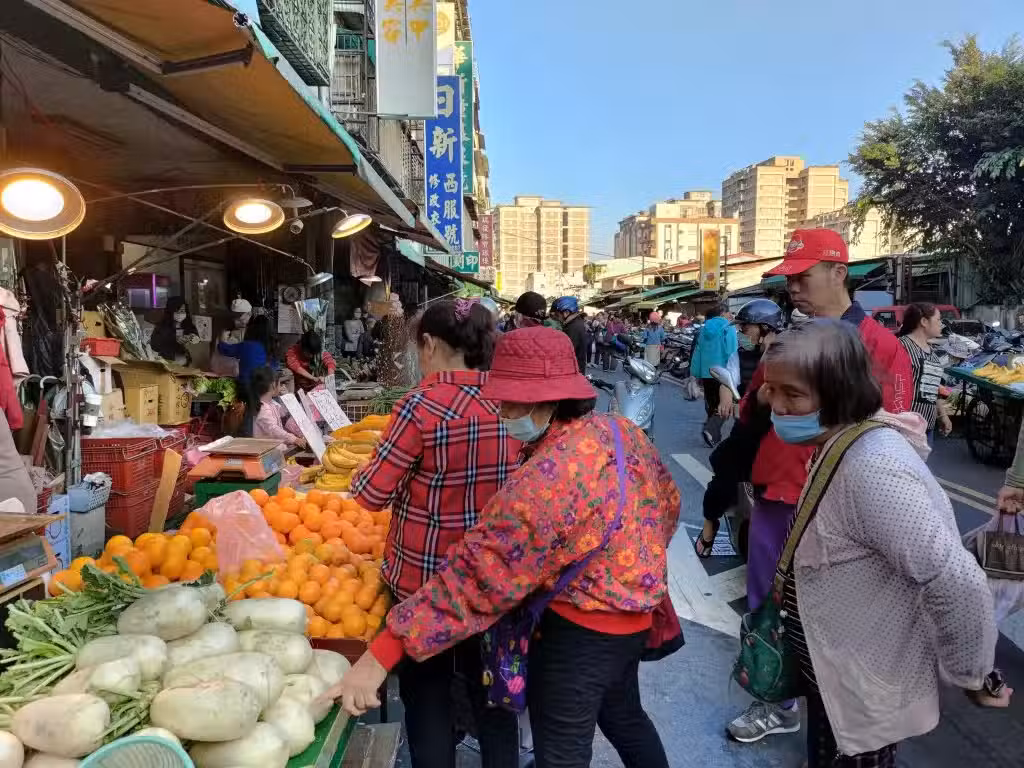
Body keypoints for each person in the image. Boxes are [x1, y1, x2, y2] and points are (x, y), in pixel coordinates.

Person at [329, 326, 680, 768]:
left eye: (511, 401)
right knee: (626, 717)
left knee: (562, 753)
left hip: (579, 635)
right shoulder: (620, 431)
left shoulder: (546, 479)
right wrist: (623, 570)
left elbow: (477, 578)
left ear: (547, 402)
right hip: (635, 618)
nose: (501, 410)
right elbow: (666, 505)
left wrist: (381, 654)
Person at [760, 319, 1008, 767]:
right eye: (771, 390)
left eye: (792, 394)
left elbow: (956, 580)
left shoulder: (873, 467)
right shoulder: (840, 440)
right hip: (835, 679)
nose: (776, 406)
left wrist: (973, 674)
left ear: (839, 392)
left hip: (860, 690)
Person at [717, 229, 913, 746]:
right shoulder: (786, 343)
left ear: (838, 273)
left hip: (841, 507)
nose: (794, 288)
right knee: (767, 601)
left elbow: (897, 431)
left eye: (802, 277)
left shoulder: (881, 345)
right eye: (789, 279)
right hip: (778, 493)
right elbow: (750, 411)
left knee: (839, 619)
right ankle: (776, 702)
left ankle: (842, 717)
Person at [347, 298, 520, 768]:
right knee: (493, 700)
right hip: (492, 582)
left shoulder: (419, 406)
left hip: (423, 586)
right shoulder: (510, 403)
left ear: (428, 344)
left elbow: (370, 494)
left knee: (428, 700)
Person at [696, 299, 784, 559]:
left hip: (782, 435)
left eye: (746, 327)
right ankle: (709, 528)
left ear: (765, 328)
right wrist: (725, 399)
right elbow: (728, 380)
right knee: (723, 475)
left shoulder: (790, 355)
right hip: (748, 429)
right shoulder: (740, 355)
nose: (742, 332)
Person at [896, 302, 952, 443]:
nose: (941, 324)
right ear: (924, 322)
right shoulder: (902, 347)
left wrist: (942, 415)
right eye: (938, 320)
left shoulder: (932, 353)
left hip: (927, 428)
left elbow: (933, 388)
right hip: (904, 427)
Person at [218, 314, 277, 436]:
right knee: (262, 414)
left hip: (246, 386)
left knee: (247, 414)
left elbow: (224, 349)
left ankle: (247, 436)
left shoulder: (247, 345)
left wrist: (222, 338)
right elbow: (274, 367)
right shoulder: (271, 348)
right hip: (264, 386)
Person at [689, 304, 738, 447]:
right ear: (722, 313)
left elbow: (698, 352)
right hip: (723, 372)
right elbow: (732, 351)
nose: (730, 315)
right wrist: (735, 371)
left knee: (712, 403)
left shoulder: (703, 329)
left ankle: (713, 435)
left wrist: (695, 373)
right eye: (728, 312)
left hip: (707, 372)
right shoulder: (729, 328)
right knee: (726, 403)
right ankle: (711, 430)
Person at [249, 366, 305, 450]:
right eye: (279, 384)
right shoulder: (263, 409)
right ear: (273, 385)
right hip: (267, 451)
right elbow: (274, 430)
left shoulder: (271, 403)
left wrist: (287, 396)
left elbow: (283, 412)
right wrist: (294, 439)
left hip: (276, 447)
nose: (281, 386)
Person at [150, 297, 199, 366]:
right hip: (167, 361)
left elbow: (196, 336)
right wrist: (173, 338)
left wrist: (192, 337)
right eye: (177, 311)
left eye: (182, 311)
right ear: (170, 312)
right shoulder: (162, 326)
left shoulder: (188, 325)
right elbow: (154, 345)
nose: (180, 314)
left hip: (184, 362)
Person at [551, 296, 587, 374]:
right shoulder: (575, 323)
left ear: (566, 312)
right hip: (575, 370)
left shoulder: (573, 327)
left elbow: (565, 352)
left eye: (557, 315)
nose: (557, 319)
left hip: (573, 372)